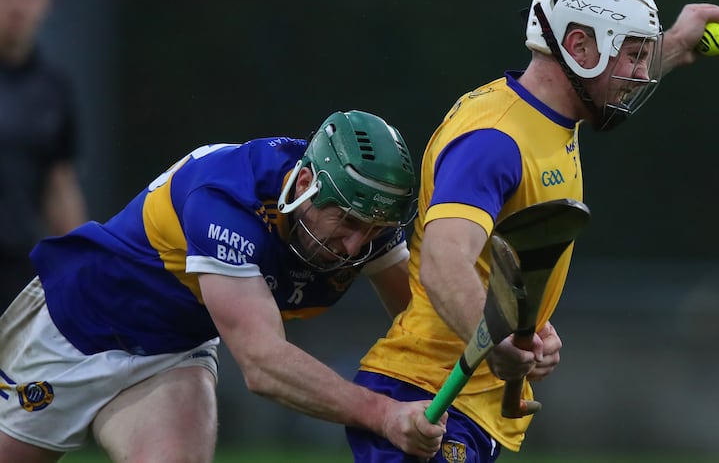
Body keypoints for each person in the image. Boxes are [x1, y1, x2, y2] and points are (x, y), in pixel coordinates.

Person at [347, 0, 719, 462]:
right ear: (577, 47)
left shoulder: (552, 112)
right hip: (427, 399)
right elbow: (444, 264)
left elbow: (609, 81)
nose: (641, 74)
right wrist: (498, 342)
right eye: (635, 56)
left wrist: (677, 44)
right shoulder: (494, 142)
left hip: (464, 403)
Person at [0, 110, 448, 462]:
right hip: (74, 326)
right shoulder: (229, 200)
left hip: (171, 351)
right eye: (348, 222)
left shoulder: (367, 223)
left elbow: (420, 321)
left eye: (373, 230)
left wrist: (499, 350)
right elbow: (262, 362)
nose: (355, 246)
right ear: (307, 184)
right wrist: (384, 415)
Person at [0, 0, 87, 310]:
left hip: (16, 275)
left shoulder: (53, 90)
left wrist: (84, 269)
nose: (17, 5)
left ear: (46, 2)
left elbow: (59, 185)